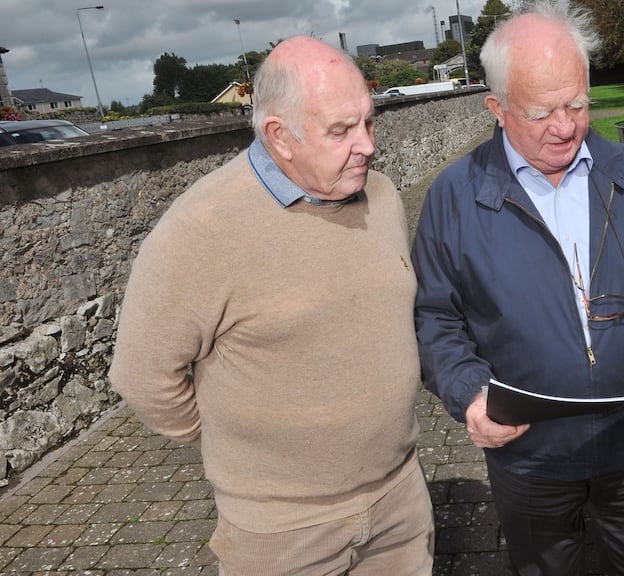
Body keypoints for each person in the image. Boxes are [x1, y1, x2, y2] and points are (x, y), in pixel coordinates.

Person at [108, 36, 433, 575]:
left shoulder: (382, 196)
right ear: (280, 136)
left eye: (369, 122)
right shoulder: (202, 230)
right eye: (341, 131)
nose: (368, 145)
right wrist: (243, 448)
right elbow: (143, 376)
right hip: (282, 534)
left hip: (401, 502)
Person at [411, 2, 624, 575]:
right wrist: (470, 393)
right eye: (542, 111)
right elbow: (435, 318)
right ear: (496, 109)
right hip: (529, 457)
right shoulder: (454, 196)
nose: (567, 125)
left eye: (577, 103)